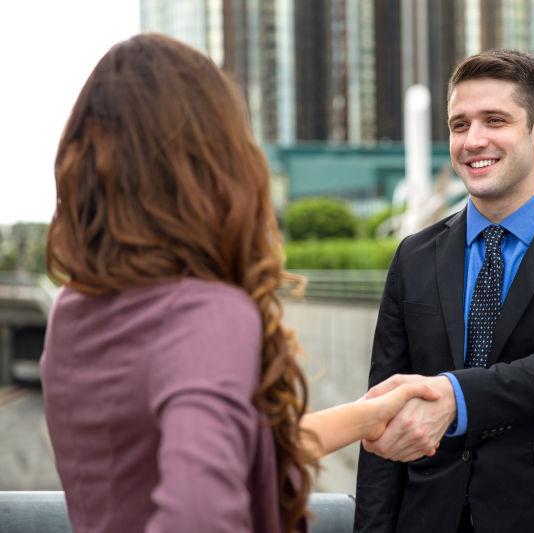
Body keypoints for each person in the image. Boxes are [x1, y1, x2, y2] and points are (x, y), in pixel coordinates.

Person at [40, 33, 438, 533]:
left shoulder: (73, 309)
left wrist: (368, 415)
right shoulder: (206, 313)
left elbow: (230, 451)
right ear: (215, 161)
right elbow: (200, 512)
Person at [354, 49, 534, 532]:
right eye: (458, 124)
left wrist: (454, 398)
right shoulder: (414, 254)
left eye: (495, 120)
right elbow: (384, 412)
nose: (473, 140)